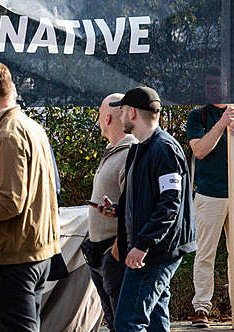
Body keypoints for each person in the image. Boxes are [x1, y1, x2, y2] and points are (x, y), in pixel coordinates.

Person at [0, 59, 61, 332]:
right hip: (31, 254)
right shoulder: (30, 127)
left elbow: (9, 201)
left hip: (12, 260)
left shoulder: (8, 134)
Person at [100, 86, 196, 331]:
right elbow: (151, 199)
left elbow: (170, 204)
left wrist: (142, 245)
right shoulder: (140, 148)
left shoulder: (164, 149)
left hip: (155, 252)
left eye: (122, 111)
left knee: (128, 322)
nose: (120, 118)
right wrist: (119, 210)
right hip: (151, 248)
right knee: (155, 318)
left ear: (131, 113)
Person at [187, 67, 234, 327]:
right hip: (209, 196)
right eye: (208, 83)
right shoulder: (199, 115)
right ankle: (202, 308)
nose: (212, 87)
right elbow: (201, 151)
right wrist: (221, 124)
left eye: (217, 82)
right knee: (205, 254)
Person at [88, 93, 137, 332]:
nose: (98, 120)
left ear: (107, 118)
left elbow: (135, 207)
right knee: (114, 324)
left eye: (99, 115)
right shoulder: (112, 150)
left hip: (115, 256)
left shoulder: (130, 153)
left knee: (124, 323)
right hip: (101, 256)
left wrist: (117, 250)